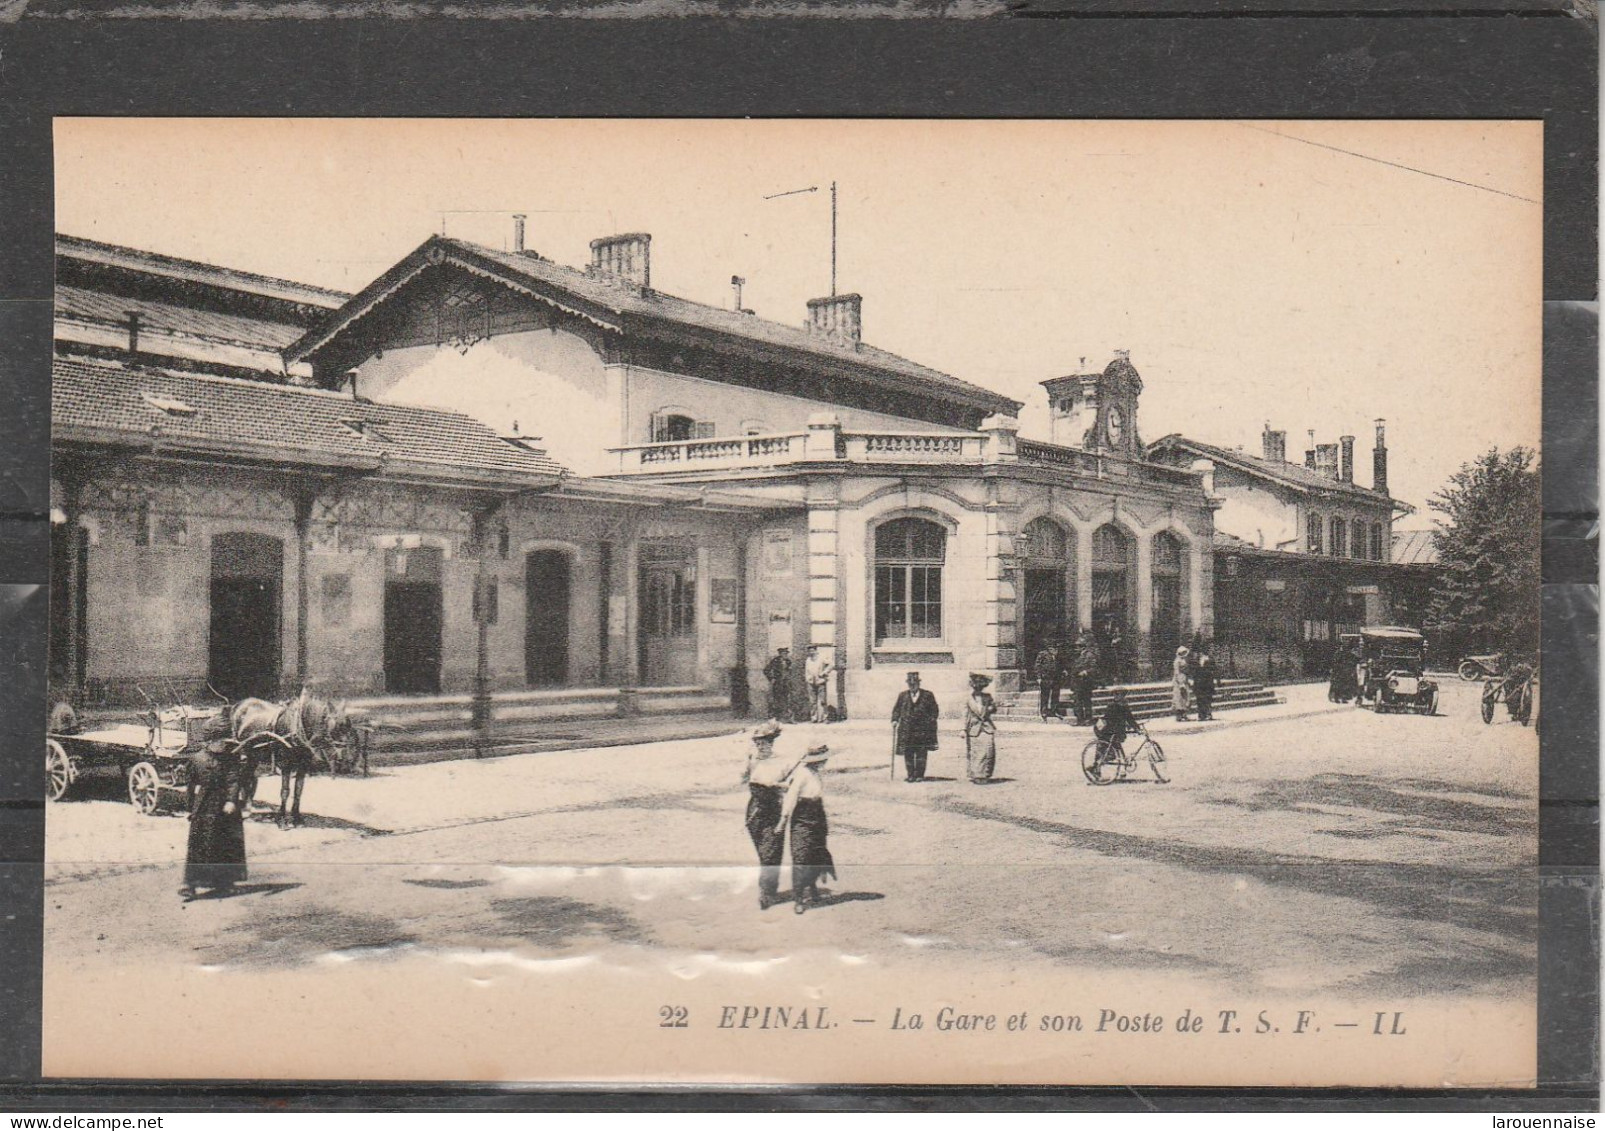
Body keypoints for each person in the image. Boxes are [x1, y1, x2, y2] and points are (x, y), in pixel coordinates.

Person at [180, 713, 253, 901]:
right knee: (199, 844)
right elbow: (190, 786)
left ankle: (226, 882)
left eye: (225, 741)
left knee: (226, 844)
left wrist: (231, 800)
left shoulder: (231, 759)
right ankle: (191, 884)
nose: (224, 745)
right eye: (221, 741)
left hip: (225, 808)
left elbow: (233, 780)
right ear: (210, 741)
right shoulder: (197, 759)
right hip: (204, 806)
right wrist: (190, 809)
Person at [779, 743, 837, 914]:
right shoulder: (802, 775)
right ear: (815, 761)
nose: (825, 762)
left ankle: (812, 888)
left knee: (815, 853)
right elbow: (791, 798)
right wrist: (783, 820)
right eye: (822, 760)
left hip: (818, 816)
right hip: (802, 817)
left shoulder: (815, 774)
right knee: (801, 856)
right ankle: (798, 898)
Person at [741, 720, 788, 910]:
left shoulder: (782, 762)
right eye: (757, 743)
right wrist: (747, 766)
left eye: (764, 743)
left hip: (773, 810)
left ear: (771, 743)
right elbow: (741, 779)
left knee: (772, 852)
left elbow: (791, 785)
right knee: (764, 852)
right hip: (754, 810)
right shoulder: (752, 760)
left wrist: (779, 786)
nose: (760, 746)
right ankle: (769, 888)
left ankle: (767, 892)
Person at [890, 672, 940, 783]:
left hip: (922, 730)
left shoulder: (928, 695)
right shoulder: (902, 695)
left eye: (915, 683)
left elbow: (934, 710)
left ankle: (920, 775)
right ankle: (910, 775)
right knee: (908, 752)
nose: (912, 686)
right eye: (910, 684)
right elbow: (896, 709)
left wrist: (930, 722)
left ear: (918, 684)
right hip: (906, 730)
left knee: (921, 753)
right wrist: (894, 720)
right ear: (908, 684)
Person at [1092, 686, 1142, 773]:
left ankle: (1099, 767)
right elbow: (1108, 719)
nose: (1119, 696)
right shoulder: (1112, 706)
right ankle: (1098, 767)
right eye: (1117, 694)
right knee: (1106, 749)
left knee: (1108, 749)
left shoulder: (1123, 705)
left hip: (1116, 732)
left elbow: (1130, 718)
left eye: (1121, 695)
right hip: (1111, 732)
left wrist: (1136, 728)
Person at [963, 672, 999, 783]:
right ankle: (976, 775)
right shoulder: (968, 699)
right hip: (974, 728)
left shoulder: (987, 697)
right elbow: (965, 715)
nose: (977, 688)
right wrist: (963, 729)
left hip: (987, 727)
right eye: (975, 685)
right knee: (975, 752)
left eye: (980, 686)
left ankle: (985, 774)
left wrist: (991, 708)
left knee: (988, 751)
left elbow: (993, 708)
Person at [1071, 632, 1100, 726]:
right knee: (1077, 702)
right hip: (1077, 683)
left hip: (1086, 682)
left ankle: (1088, 719)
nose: (1076, 648)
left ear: (1082, 647)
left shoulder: (1089, 655)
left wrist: (1086, 672)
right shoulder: (1078, 656)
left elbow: (1094, 668)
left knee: (1086, 701)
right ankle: (1080, 720)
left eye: (1078, 646)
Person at [762, 647, 794, 723]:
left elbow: (789, 672)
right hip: (778, 684)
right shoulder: (775, 660)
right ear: (780, 654)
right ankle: (776, 718)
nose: (785, 655)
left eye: (786, 653)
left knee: (787, 700)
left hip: (786, 684)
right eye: (784, 653)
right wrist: (771, 678)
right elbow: (766, 670)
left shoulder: (788, 661)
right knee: (777, 701)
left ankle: (787, 718)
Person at [804, 645, 831, 724]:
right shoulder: (808, 660)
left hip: (821, 681)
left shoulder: (821, 658)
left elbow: (831, 664)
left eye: (812, 650)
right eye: (809, 651)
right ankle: (814, 718)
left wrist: (824, 672)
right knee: (812, 701)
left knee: (823, 700)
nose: (811, 652)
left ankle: (825, 718)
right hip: (811, 682)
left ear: (816, 650)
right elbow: (806, 671)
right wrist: (807, 679)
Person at [1033, 644, 1060, 719]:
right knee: (1045, 695)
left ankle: (1054, 711)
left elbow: (1060, 664)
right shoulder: (1043, 654)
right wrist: (1038, 677)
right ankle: (1044, 712)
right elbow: (1037, 666)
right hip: (1046, 678)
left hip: (1056, 678)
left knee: (1055, 695)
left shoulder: (1057, 655)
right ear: (1049, 648)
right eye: (1053, 648)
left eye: (1056, 648)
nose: (1055, 650)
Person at [1194, 651, 1217, 721]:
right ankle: (1201, 715)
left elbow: (1214, 669)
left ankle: (1208, 713)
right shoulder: (1196, 659)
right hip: (1198, 682)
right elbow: (1193, 670)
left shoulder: (1210, 659)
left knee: (1208, 698)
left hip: (1208, 682)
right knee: (1200, 699)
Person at [1172, 645, 1192, 722]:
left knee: (1185, 697)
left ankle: (1184, 714)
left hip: (1184, 678)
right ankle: (1179, 715)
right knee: (1179, 698)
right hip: (1179, 679)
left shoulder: (1183, 660)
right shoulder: (1177, 661)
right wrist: (1180, 683)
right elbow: (1177, 672)